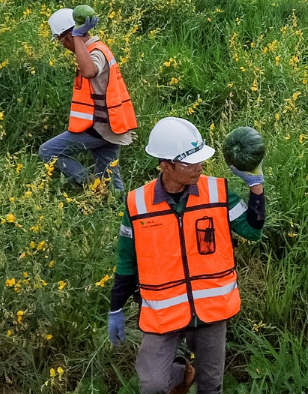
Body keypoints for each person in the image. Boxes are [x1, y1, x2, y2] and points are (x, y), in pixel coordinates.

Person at [106, 117, 267, 394]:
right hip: (162, 314)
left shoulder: (217, 192)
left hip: (211, 311)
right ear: (165, 165)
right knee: (153, 385)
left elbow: (253, 230)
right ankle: (181, 373)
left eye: (200, 161)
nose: (199, 168)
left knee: (211, 386)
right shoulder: (137, 203)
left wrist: (256, 186)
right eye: (189, 163)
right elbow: (126, 259)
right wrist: (116, 307)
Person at [40, 7, 138, 192]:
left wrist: (77, 37)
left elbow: (90, 71)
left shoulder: (96, 51)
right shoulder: (95, 49)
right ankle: (118, 208)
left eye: (62, 41)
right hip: (109, 126)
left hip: (99, 128)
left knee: (48, 151)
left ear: (68, 37)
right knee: (111, 180)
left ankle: (94, 187)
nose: (63, 46)